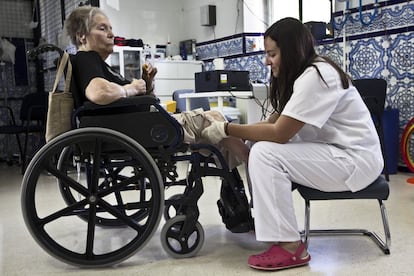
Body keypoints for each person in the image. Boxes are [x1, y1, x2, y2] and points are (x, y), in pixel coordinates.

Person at [202, 17, 384, 271]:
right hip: (336, 153)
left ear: (290, 51)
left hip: (354, 160)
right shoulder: (303, 76)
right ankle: (271, 224)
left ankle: (290, 247)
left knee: (265, 152)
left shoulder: (317, 76)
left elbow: (278, 134)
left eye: (272, 54)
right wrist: (237, 137)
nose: (267, 61)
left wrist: (225, 129)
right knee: (259, 149)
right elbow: (271, 123)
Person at [65, 6, 249, 167]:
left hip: (139, 126)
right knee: (214, 117)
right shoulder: (86, 59)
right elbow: (97, 92)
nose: (111, 34)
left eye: (111, 28)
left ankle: (230, 181)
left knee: (212, 128)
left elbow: (136, 100)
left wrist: (146, 82)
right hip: (139, 130)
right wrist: (132, 88)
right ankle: (247, 166)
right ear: (82, 36)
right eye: (102, 28)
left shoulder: (98, 64)